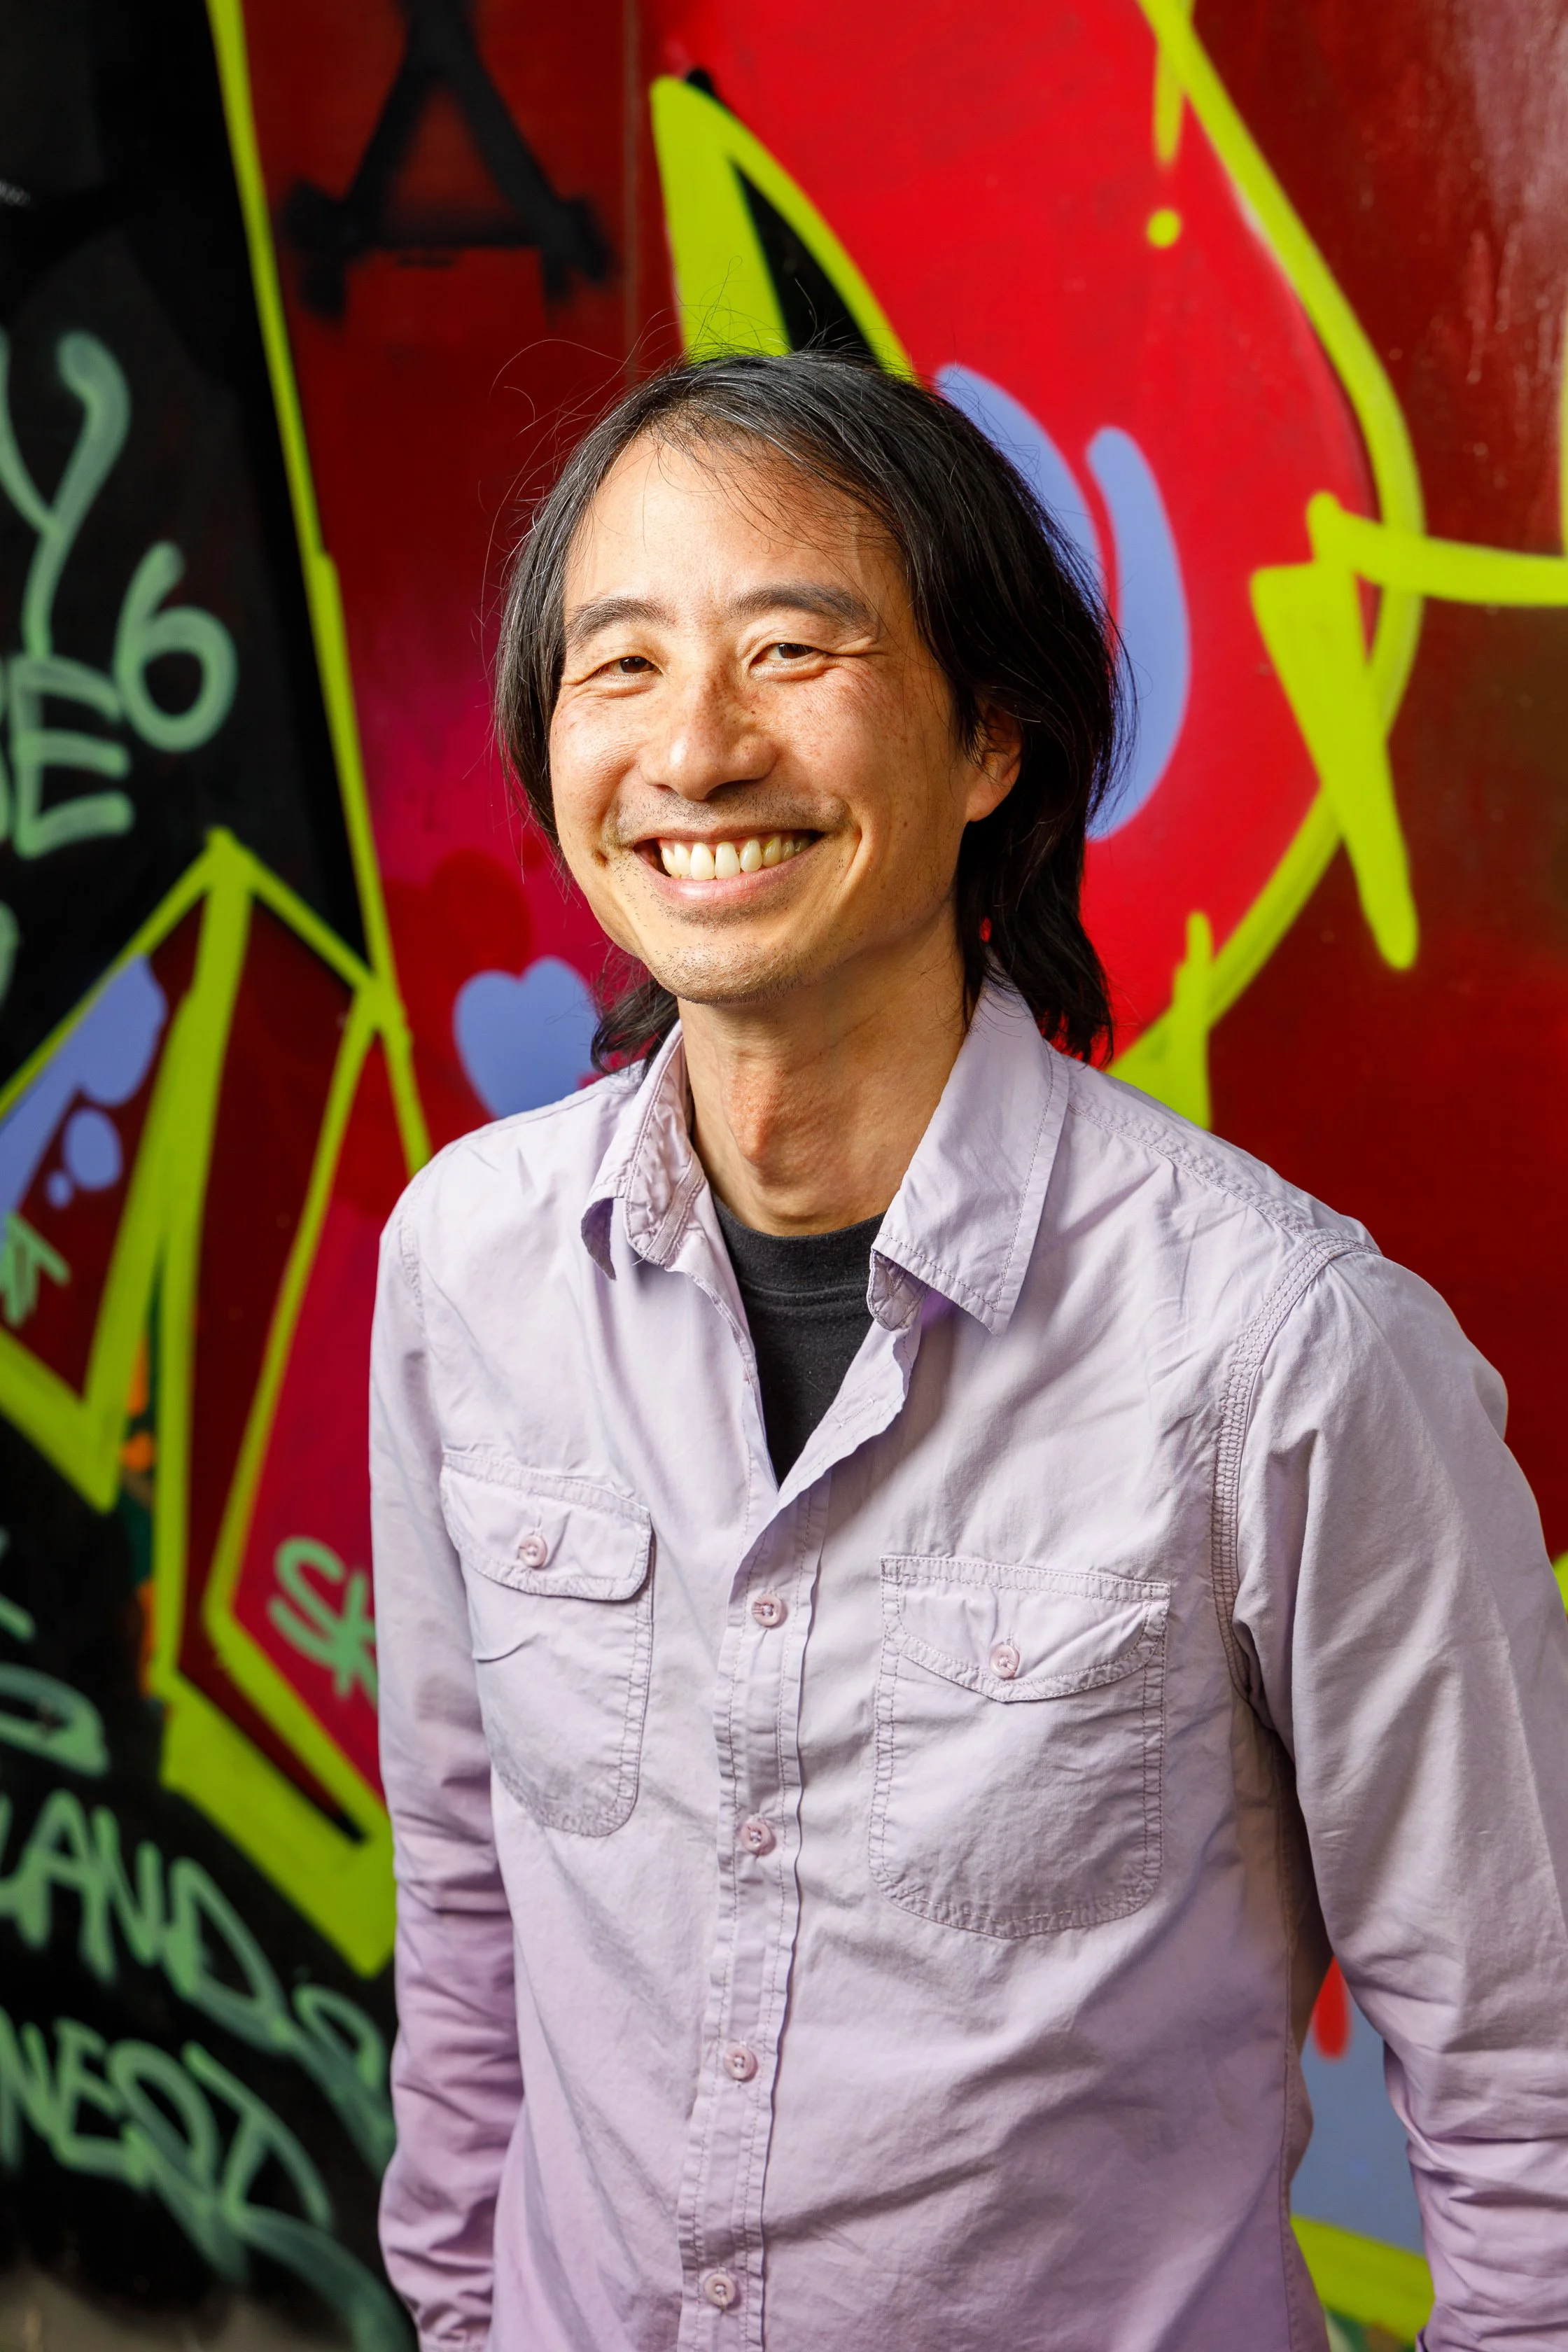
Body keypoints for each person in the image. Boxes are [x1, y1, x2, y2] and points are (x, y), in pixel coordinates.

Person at [370, 350, 1568, 2352]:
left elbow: (1529, 2080)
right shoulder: (467, 1268)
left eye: (794, 647)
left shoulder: (1286, 1353)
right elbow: (468, 1913)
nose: (700, 748)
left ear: (993, 735)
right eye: (622, 667)